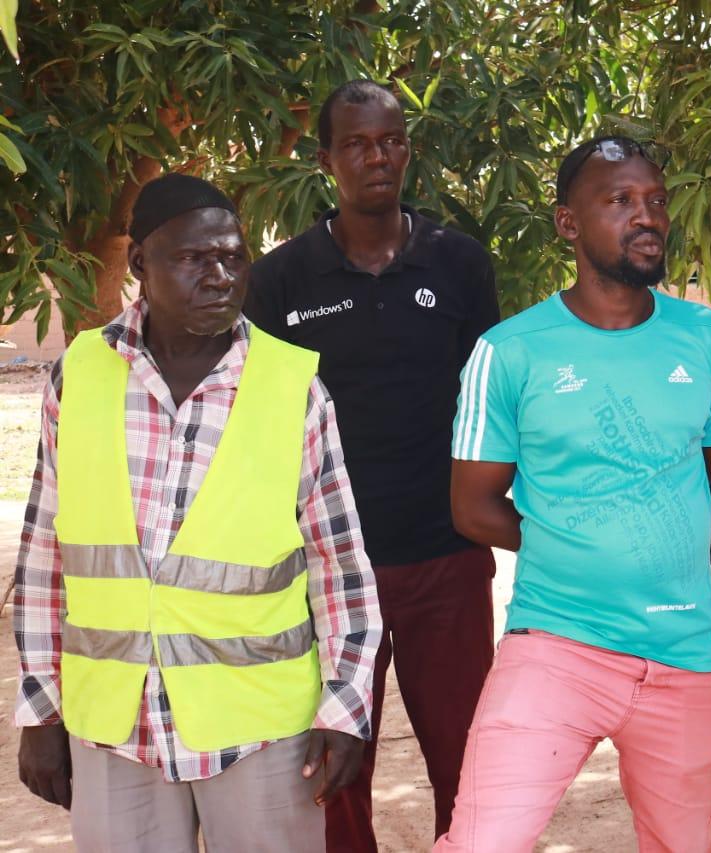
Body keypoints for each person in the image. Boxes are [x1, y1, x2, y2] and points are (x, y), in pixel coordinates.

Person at [12, 173, 382, 852]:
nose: (219, 276)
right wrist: (41, 708)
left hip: (261, 728)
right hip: (113, 725)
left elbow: (341, 564)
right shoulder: (80, 375)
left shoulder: (293, 386)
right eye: (193, 258)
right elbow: (44, 556)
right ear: (139, 266)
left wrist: (347, 704)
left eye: (233, 257)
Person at [432, 135, 711, 851]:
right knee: (481, 841)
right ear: (567, 223)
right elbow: (473, 504)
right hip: (555, 644)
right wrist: (572, 540)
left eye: (656, 200)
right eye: (619, 200)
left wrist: (678, 544)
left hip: (682, 649)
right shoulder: (510, 351)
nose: (647, 216)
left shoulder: (708, 339)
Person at [245, 80, 501, 847]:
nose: (376, 156)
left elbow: (489, 408)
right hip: (328, 571)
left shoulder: (458, 262)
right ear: (326, 159)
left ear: (407, 150)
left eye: (389, 140)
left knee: (468, 764)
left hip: (447, 558)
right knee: (333, 772)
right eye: (356, 143)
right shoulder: (281, 280)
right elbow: (261, 426)